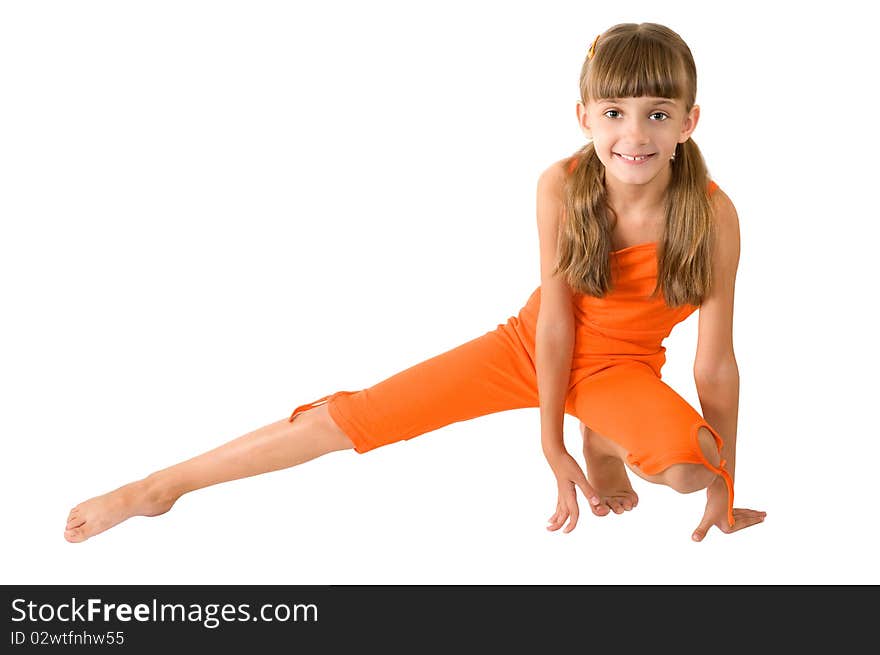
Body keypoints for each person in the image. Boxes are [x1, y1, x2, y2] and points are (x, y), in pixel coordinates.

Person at [64, 22, 765, 544]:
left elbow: (716, 361)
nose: (634, 134)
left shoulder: (711, 212)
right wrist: (549, 440)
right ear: (584, 118)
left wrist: (728, 484)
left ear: (688, 123)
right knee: (353, 417)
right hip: (528, 348)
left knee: (690, 470)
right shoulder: (564, 183)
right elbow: (555, 324)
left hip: (620, 369)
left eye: (657, 114)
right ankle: (160, 486)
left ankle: (606, 438)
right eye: (614, 113)